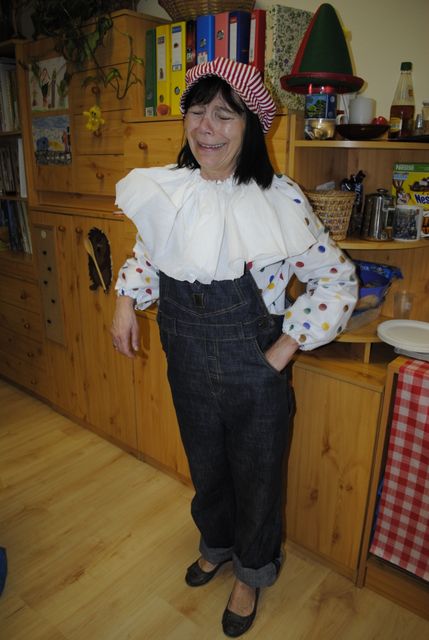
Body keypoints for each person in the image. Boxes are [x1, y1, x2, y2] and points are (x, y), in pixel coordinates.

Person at [111, 57, 358, 637]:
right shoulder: (170, 191)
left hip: (255, 367)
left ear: (252, 126)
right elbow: (148, 256)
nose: (207, 127)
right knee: (207, 468)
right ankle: (217, 545)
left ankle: (251, 572)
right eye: (197, 112)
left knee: (257, 476)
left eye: (225, 115)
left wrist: (282, 350)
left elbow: (337, 281)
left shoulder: (280, 199)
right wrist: (124, 300)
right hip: (186, 358)